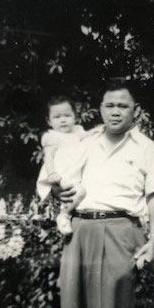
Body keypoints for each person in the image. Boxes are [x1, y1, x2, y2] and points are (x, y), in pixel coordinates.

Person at [58, 80, 154, 308]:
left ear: (135, 111)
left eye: (123, 106)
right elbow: (65, 184)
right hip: (80, 229)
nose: (115, 112)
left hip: (122, 231)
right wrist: (60, 195)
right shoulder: (84, 144)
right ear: (100, 109)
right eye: (110, 105)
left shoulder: (149, 149)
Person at [36, 95, 96, 235]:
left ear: (75, 117)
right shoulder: (51, 137)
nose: (63, 120)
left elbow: (89, 135)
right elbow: (48, 157)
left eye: (67, 115)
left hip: (72, 172)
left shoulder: (77, 131)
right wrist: (52, 173)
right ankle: (64, 214)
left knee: (80, 193)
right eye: (57, 117)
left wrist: (99, 130)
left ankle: (69, 212)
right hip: (59, 174)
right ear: (49, 121)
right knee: (79, 192)